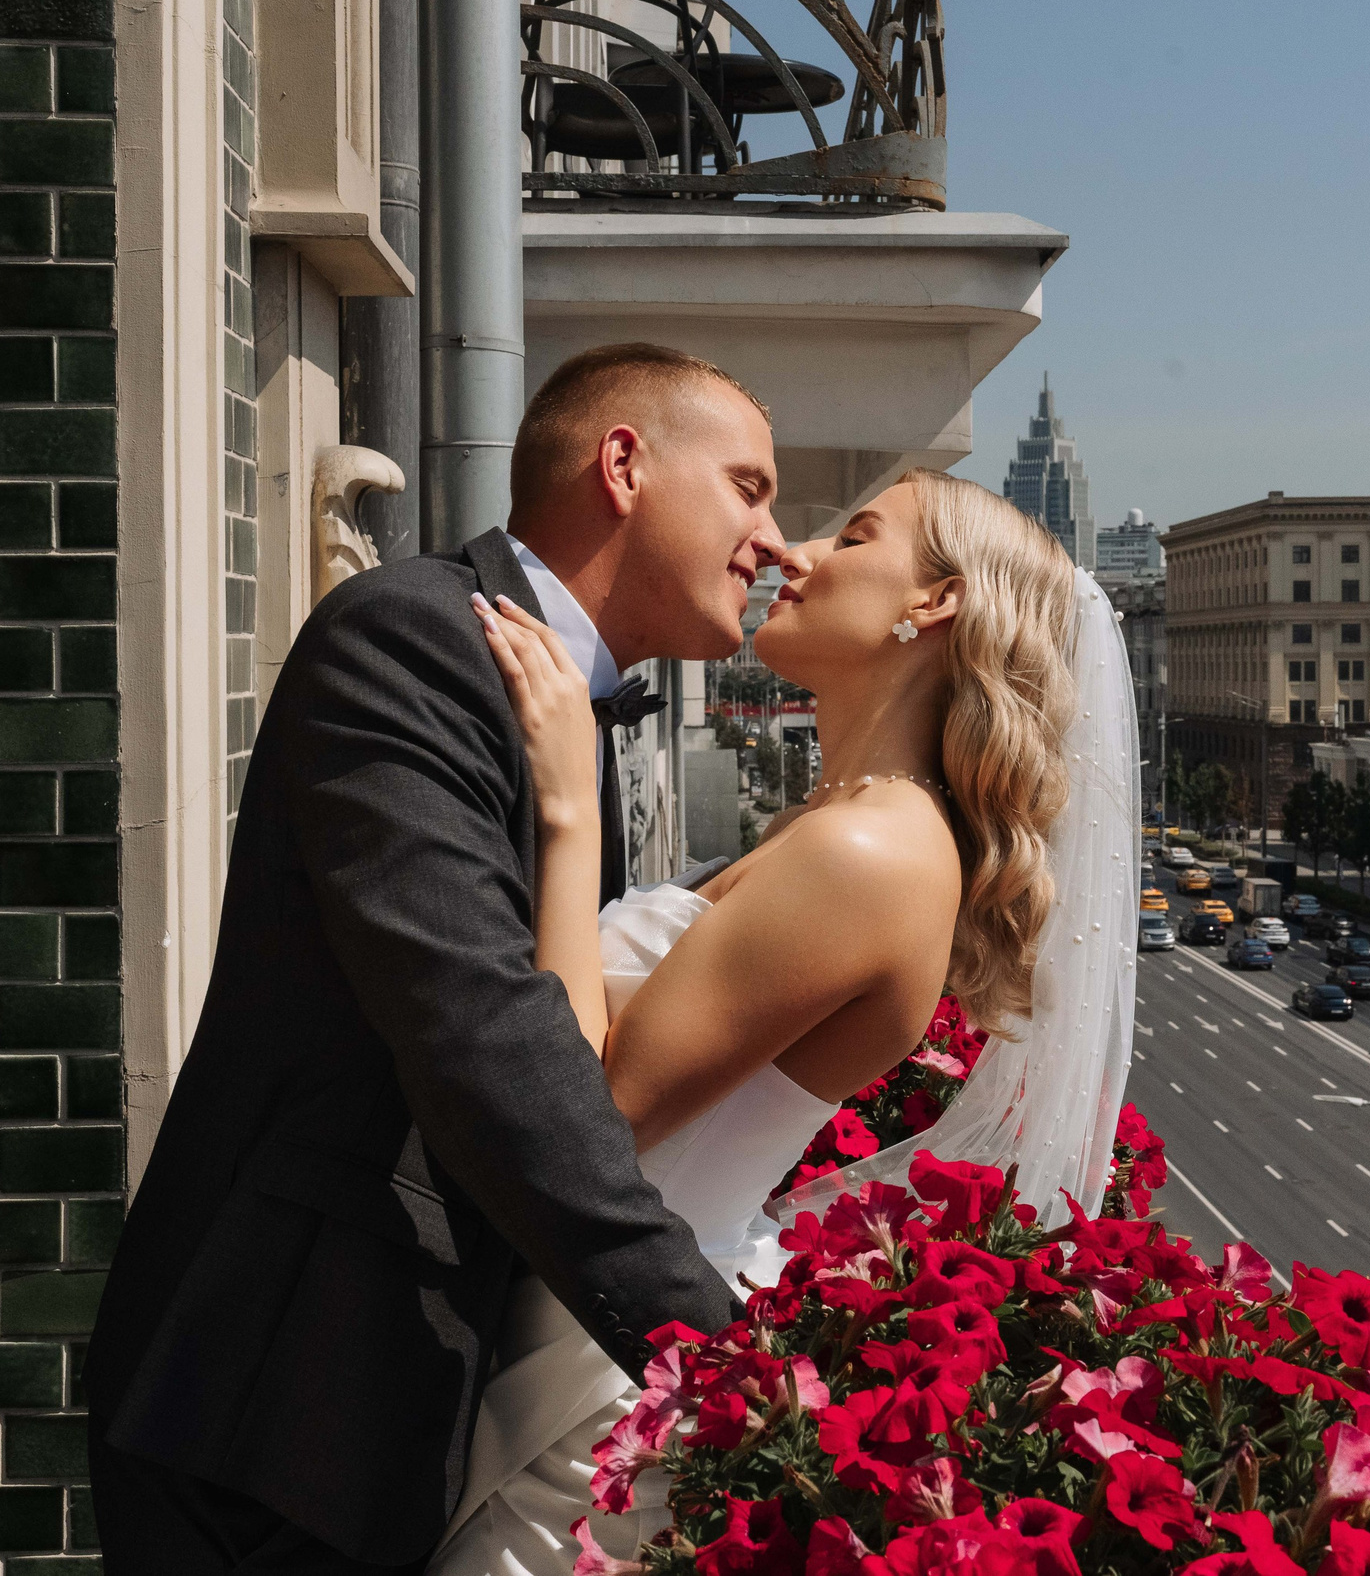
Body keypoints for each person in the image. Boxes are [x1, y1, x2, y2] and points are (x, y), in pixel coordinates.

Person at [86, 344, 788, 1573]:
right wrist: (726, 1375)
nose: (775, 541)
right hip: (280, 1406)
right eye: (748, 487)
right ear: (622, 464)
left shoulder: (562, 706)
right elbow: (489, 1043)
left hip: (392, 1405)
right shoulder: (410, 641)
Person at [429, 467, 1138, 1576]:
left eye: (853, 536)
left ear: (933, 604)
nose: (791, 554)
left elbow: (590, 1112)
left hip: (598, 1380)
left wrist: (568, 810)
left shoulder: (870, 854)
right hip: (578, 1323)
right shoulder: (846, 826)